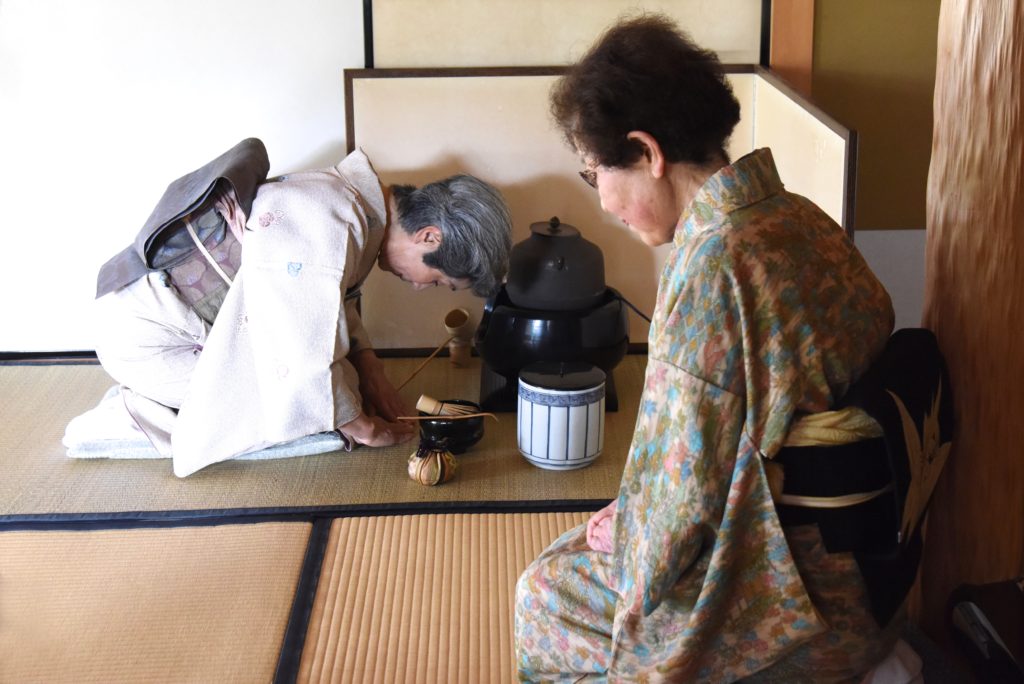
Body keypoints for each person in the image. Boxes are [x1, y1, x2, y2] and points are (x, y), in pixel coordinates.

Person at [514, 15, 903, 682]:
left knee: (545, 592)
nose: (603, 202)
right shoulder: (797, 217)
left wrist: (631, 531)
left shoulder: (714, 268)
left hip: (797, 600)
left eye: (592, 173)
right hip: (875, 570)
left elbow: (679, 506)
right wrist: (637, 511)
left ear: (646, 152)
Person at [91, 138, 512, 476]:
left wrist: (373, 375)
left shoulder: (349, 206)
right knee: (299, 416)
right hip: (151, 338)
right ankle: (132, 417)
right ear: (429, 238)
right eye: (438, 280)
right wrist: (362, 427)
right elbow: (298, 341)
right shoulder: (325, 214)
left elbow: (326, 301)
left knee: (338, 389)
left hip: (172, 323)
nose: (423, 289)